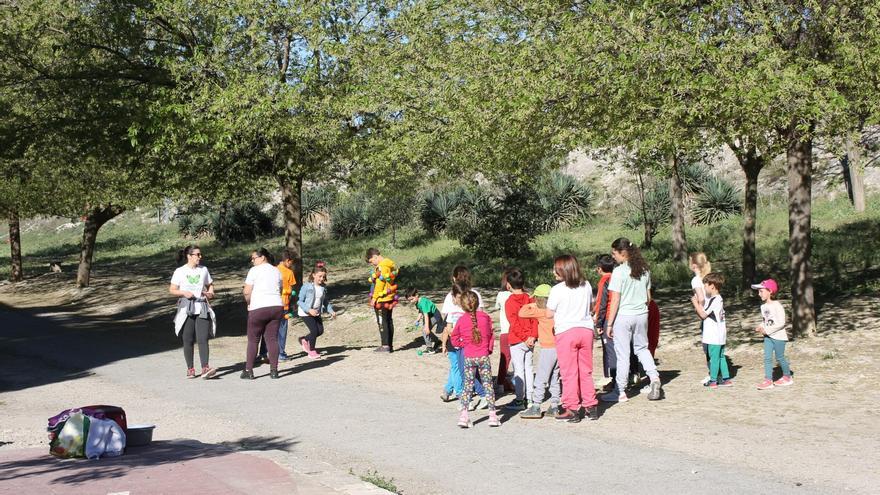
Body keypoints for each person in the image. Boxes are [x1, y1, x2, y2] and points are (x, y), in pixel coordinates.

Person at [601, 238, 663, 402]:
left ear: (622, 253)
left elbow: (615, 300)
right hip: (642, 314)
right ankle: (654, 378)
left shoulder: (619, 272)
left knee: (623, 355)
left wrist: (609, 323)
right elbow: (649, 297)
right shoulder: (644, 270)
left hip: (624, 316)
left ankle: (620, 391)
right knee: (642, 349)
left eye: (614, 253)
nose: (613, 257)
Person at [546, 255, 599, 422]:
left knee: (569, 372)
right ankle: (591, 405)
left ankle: (572, 408)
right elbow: (590, 306)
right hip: (585, 330)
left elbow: (549, 313)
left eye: (556, 268)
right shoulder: (586, 285)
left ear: (563, 270)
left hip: (566, 332)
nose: (553, 271)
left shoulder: (557, 290)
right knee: (585, 370)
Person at [450, 290, 500, 428]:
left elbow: (453, 338)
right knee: (488, 385)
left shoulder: (461, 320)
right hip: (483, 355)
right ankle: (493, 416)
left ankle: (464, 416)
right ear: (477, 302)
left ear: (462, 305)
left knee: (467, 386)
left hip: (469, 356)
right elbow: (491, 336)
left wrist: (462, 345)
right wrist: (488, 349)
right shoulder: (485, 317)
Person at [440, 266, 488, 409]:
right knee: (461, 368)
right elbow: (449, 324)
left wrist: (450, 338)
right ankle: (459, 393)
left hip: (465, 343)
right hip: (465, 342)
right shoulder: (475, 295)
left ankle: (477, 395)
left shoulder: (454, 299)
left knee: (464, 369)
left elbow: (448, 322)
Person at [170, 245, 217, 379]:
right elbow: (172, 289)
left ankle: (205, 368)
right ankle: (190, 368)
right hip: (186, 308)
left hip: (201, 306)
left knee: (203, 338)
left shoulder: (204, 270)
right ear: (189, 256)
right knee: (188, 339)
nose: (200, 257)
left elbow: (210, 285)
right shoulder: (180, 271)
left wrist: (210, 293)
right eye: (197, 254)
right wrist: (183, 292)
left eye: (200, 254)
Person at [518, 284, 561, 419]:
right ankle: (554, 405)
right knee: (555, 377)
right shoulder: (556, 310)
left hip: (547, 348)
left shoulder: (540, 311)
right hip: (559, 347)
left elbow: (522, 312)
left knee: (541, 377)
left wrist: (531, 303)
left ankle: (536, 406)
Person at [241, 247, 284, 379]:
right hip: (276, 306)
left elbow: (247, 291)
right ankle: (274, 370)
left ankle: (249, 370)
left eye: (254, 258)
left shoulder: (254, 271)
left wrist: (249, 302)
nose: (252, 261)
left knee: (253, 339)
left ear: (262, 257)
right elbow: (281, 288)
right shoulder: (276, 270)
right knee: (272, 339)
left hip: (259, 307)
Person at [503, 268, 537, 412]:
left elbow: (514, 323)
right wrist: (533, 336)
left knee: (519, 370)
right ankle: (530, 398)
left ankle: (519, 399)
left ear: (508, 285)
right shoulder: (530, 298)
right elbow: (536, 319)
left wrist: (524, 338)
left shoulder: (509, 302)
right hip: (530, 340)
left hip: (518, 340)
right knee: (529, 369)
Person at [691, 272, 732, 389]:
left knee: (714, 358)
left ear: (712, 286)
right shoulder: (717, 299)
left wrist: (695, 303)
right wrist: (699, 306)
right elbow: (703, 312)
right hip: (720, 335)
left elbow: (703, 315)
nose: (704, 288)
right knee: (721, 357)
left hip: (714, 335)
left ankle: (713, 380)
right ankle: (726, 378)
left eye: (705, 285)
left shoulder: (715, 300)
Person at [752, 279, 793, 390]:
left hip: (779, 337)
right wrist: (761, 326)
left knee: (780, 358)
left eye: (761, 291)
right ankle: (768, 380)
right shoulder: (763, 306)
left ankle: (787, 377)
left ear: (770, 291)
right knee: (767, 358)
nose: (759, 294)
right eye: (758, 291)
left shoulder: (777, 305)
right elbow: (766, 320)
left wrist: (767, 330)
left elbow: (781, 323)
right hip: (768, 337)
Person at [297, 264, 336, 359]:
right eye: (320, 276)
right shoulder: (306, 286)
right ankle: (312, 351)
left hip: (316, 312)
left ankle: (304, 339)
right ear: (313, 275)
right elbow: (300, 301)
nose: (322, 278)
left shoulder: (323, 288)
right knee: (314, 331)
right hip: (305, 312)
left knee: (320, 331)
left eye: (323, 276)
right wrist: (308, 309)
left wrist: (331, 310)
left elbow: (325, 301)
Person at [366, 248, 398, 353]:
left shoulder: (381, 267)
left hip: (382, 299)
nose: (373, 264)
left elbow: (380, 284)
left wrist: (374, 298)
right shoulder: (389, 265)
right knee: (388, 320)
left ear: (375, 257)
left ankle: (385, 346)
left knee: (382, 321)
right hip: (390, 297)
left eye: (372, 261)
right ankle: (389, 345)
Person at [690, 252, 713, 384]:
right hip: (715, 313)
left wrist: (698, 308)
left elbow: (701, 298)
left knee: (708, 346)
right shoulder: (709, 277)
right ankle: (718, 373)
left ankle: (713, 374)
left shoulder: (696, 280)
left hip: (706, 315)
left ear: (694, 266)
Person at [593, 255, 616, 392]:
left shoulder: (604, 281)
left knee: (610, 351)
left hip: (607, 318)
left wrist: (599, 323)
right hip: (619, 317)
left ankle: (612, 381)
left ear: (599, 269)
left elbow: (602, 302)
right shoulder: (617, 278)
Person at [494, 272, 515, 394]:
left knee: (504, 359)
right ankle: (516, 382)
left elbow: (497, 307)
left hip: (505, 331)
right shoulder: (522, 295)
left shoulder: (501, 295)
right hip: (517, 331)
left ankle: (500, 383)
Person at [406, 288, 443, 354]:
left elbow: (426, 315)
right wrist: (417, 319)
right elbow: (421, 311)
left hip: (434, 315)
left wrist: (427, 327)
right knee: (426, 330)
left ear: (417, 295)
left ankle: (430, 348)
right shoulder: (417, 302)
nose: (411, 301)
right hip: (430, 315)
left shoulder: (423, 302)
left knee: (425, 330)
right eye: (409, 300)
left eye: (412, 299)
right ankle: (438, 341)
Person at [276, 250, 298, 361]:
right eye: (291, 263)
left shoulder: (274, 269)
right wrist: (293, 304)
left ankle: (269, 353)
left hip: (272, 305)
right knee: (282, 330)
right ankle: (281, 354)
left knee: (272, 330)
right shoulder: (289, 272)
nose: (291, 265)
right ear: (288, 260)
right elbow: (293, 290)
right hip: (284, 305)